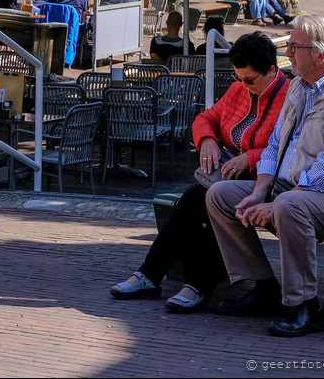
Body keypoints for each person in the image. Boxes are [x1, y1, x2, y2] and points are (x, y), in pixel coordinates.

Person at [205, 16, 324, 337]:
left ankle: (306, 307)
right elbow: (276, 144)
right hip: (297, 190)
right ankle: (263, 287)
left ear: (321, 55)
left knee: (290, 206)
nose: (286, 52)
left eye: (294, 46)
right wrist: (260, 192)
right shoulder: (300, 85)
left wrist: (280, 202)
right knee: (219, 195)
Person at [110, 33, 288, 312]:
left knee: (216, 203)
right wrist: (207, 140)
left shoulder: (289, 97)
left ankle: (187, 283)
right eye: (238, 78)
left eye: (249, 80)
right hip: (231, 178)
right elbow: (207, 118)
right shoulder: (239, 89)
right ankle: (156, 275)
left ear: (272, 71)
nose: (243, 85)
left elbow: (289, 146)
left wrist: (248, 159)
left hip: (265, 184)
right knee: (194, 199)